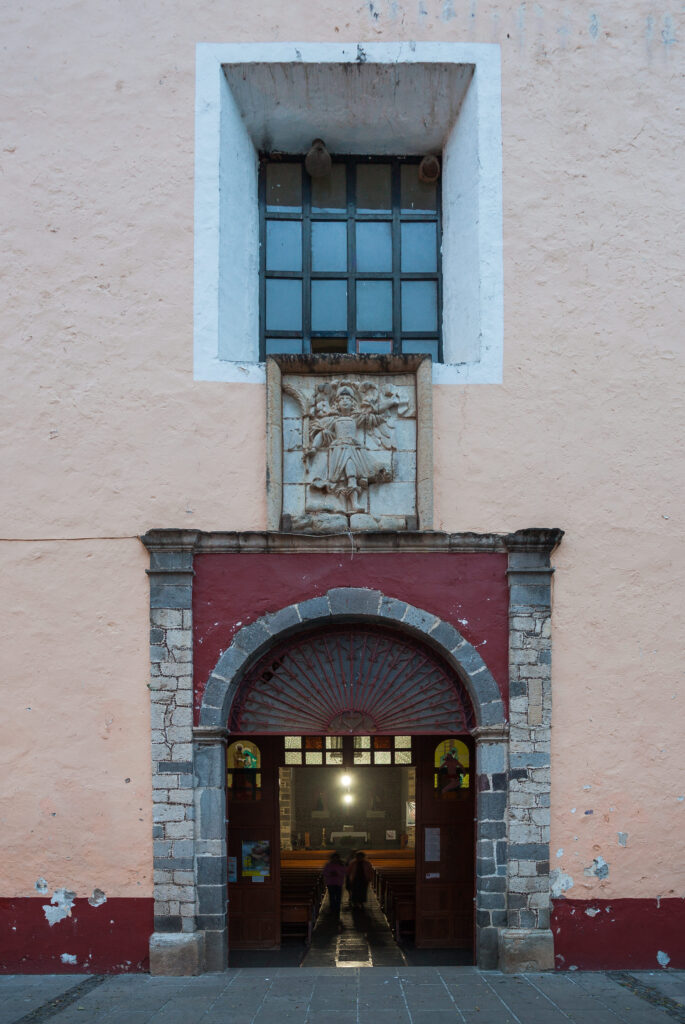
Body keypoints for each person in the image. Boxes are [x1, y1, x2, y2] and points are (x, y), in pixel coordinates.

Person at [322, 851, 346, 929]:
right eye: (334, 858)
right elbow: (325, 872)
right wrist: (330, 874)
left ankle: (337, 907)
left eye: (336, 858)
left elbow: (344, 872)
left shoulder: (341, 865)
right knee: (332, 895)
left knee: (338, 896)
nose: (335, 859)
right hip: (331, 883)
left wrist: (338, 874)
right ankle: (333, 907)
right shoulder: (328, 865)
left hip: (338, 882)